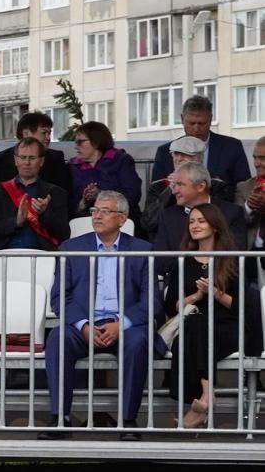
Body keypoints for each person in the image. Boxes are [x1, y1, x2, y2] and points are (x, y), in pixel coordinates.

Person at [41, 191, 158, 439]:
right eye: (94, 210)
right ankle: (60, 420)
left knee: (138, 342)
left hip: (124, 325)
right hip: (85, 324)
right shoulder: (71, 247)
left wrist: (121, 324)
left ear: (123, 218)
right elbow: (60, 296)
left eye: (105, 211)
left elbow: (151, 302)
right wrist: (83, 325)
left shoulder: (142, 249)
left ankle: (127, 421)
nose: (97, 215)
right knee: (58, 338)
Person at [161, 205, 243, 429]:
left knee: (198, 329)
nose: (195, 226)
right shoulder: (183, 262)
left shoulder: (232, 259)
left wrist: (216, 294)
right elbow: (173, 306)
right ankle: (207, 396)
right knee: (196, 325)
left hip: (226, 326)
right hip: (192, 324)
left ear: (215, 226)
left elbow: (243, 305)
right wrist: (197, 295)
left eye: (201, 221)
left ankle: (202, 402)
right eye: (192, 222)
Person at [150, 163, 248, 281]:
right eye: (174, 185)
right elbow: (161, 258)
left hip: (222, 282)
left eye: (180, 185)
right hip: (181, 283)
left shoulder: (232, 212)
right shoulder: (168, 216)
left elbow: (235, 255)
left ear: (201, 186)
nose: (174, 191)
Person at [149, 94, 251, 195]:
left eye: (202, 123)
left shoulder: (232, 147)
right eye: (191, 123)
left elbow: (243, 187)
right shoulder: (165, 152)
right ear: (182, 119)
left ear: (210, 119)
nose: (196, 129)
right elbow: (156, 193)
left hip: (220, 209)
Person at [0, 136, 69, 251]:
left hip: (44, 258)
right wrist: (16, 222)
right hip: (4, 257)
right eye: (23, 157)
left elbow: (64, 233)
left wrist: (44, 213)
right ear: (16, 160)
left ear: (41, 161)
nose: (27, 162)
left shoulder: (56, 193)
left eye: (32, 158)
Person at [145, 135, 230, 225]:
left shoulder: (216, 186)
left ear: (199, 159)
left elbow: (221, 219)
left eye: (185, 154)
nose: (178, 159)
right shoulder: (158, 187)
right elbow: (149, 223)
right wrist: (170, 189)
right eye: (176, 154)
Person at [68, 121, 141, 221]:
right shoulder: (72, 166)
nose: (76, 147)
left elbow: (133, 196)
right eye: (76, 142)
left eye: (80, 142)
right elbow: (66, 203)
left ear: (96, 142)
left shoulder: (121, 160)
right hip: (84, 220)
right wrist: (83, 201)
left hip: (119, 220)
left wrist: (101, 194)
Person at [0, 111, 70, 191]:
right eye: (44, 133)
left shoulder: (56, 158)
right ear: (26, 133)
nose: (48, 138)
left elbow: (64, 193)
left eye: (49, 133)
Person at [238, 135, 265, 251]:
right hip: (251, 254)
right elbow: (235, 223)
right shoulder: (244, 187)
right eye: (255, 158)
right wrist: (249, 206)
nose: (256, 163)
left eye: (263, 158)